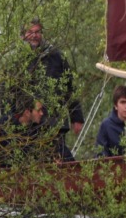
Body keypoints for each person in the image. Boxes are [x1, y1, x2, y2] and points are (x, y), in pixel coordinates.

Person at [18, 18, 83, 156]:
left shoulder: (56, 56)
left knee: (59, 160)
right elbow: (8, 92)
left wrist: (76, 117)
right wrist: (9, 119)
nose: (34, 35)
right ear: (23, 35)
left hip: (54, 121)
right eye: (30, 32)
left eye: (37, 32)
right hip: (27, 125)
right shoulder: (17, 60)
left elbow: (69, 87)